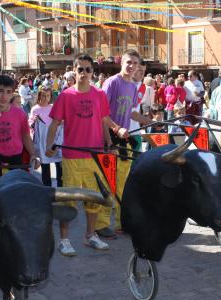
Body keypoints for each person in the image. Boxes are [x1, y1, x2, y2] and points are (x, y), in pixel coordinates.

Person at [45, 54, 129, 256]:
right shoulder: (65, 95)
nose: (84, 73)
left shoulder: (99, 94)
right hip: (72, 157)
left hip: (95, 156)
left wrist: (113, 136)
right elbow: (55, 123)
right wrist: (49, 146)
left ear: (93, 72)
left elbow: (104, 120)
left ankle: (90, 236)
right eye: (80, 69)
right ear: (74, 71)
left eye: (87, 69)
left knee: (94, 199)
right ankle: (64, 240)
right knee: (69, 200)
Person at [98, 49, 153, 240]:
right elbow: (101, 114)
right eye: (129, 62)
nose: (131, 66)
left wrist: (148, 120)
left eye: (135, 64)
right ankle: (102, 224)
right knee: (107, 182)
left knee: (123, 183)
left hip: (124, 137)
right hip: (108, 137)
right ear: (122, 61)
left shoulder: (133, 86)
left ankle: (123, 223)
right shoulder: (112, 82)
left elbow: (129, 113)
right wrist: (108, 141)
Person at [29, 85, 63, 187]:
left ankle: (61, 188)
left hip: (55, 140)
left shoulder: (53, 107)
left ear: (50, 96)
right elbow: (30, 124)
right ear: (39, 96)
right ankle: (47, 189)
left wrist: (61, 123)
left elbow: (59, 120)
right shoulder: (35, 109)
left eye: (47, 96)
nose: (45, 98)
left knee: (59, 166)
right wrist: (34, 122)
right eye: (43, 95)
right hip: (43, 143)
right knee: (45, 167)